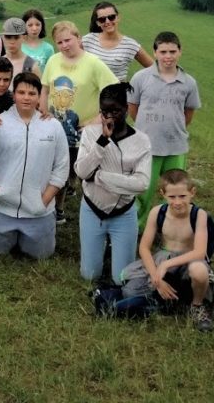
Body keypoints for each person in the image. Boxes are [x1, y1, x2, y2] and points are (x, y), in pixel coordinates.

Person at [0, 72, 68, 260]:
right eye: (21, 92)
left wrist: (44, 200)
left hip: (38, 210)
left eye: (32, 93)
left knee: (42, 255)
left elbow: (61, 167)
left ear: (39, 96)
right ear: (14, 95)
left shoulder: (53, 126)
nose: (26, 98)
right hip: (0, 206)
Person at [119, 169, 214, 332]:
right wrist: (156, 277)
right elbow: (144, 247)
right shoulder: (157, 212)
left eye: (182, 196)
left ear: (192, 193)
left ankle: (197, 305)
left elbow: (199, 252)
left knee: (199, 270)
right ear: (163, 194)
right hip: (163, 258)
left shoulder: (199, 215)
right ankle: (166, 300)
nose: (177, 202)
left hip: (188, 260)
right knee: (129, 292)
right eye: (172, 197)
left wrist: (165, 265)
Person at [73, 82, 151, 283]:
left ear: (126, 108)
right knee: (89, 276)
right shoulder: (91, 133)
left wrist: (99, 177)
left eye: (115, 111)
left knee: (121, 279)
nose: (109, 117)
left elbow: (141, 184)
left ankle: (116, 247)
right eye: (104, 112)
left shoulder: (141, 141)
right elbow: (82, 171)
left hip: (123, 212)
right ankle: (104, 247)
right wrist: (102, 142)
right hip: (92, 208)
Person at [41, 20, 118, 222]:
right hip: (55, 127)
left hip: (82, 130)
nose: (64, 45)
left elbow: (116, 92)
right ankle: (58, 208)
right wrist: (43, 111)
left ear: (78, 38)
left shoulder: (93, 63)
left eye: (68, 40)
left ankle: (94, 207)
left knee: (82, 168)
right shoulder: (53, 61)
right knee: (57, 169)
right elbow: (45, 89)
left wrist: (97, 119)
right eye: (59, 42)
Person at [128, 32, 202, 229]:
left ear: (180, 52)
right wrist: (147, 127)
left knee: (174, 190)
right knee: (143, 190)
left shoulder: (188, 82)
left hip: (175, 146)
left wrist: (173, 127)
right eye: (163, 52)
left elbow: (188, 113)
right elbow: (133, 107)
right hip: (147, 147)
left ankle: (168, 227)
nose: (168, 56)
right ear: (155, 53)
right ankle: (136, 227)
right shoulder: (141, 78)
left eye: (172, 51)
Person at [82, 1, 153, 82]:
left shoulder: (130, 45)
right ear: (98, 23)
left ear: (118, 17)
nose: (107, 21)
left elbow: (154, 69)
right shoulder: (88, 40)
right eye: (102, 19)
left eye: (111, 17)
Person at [0, 17, 41, 82]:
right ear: (3, 37)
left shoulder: (32, 67)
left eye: (16, 37)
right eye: (8, 37)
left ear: (24, 38)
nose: (12, 42)